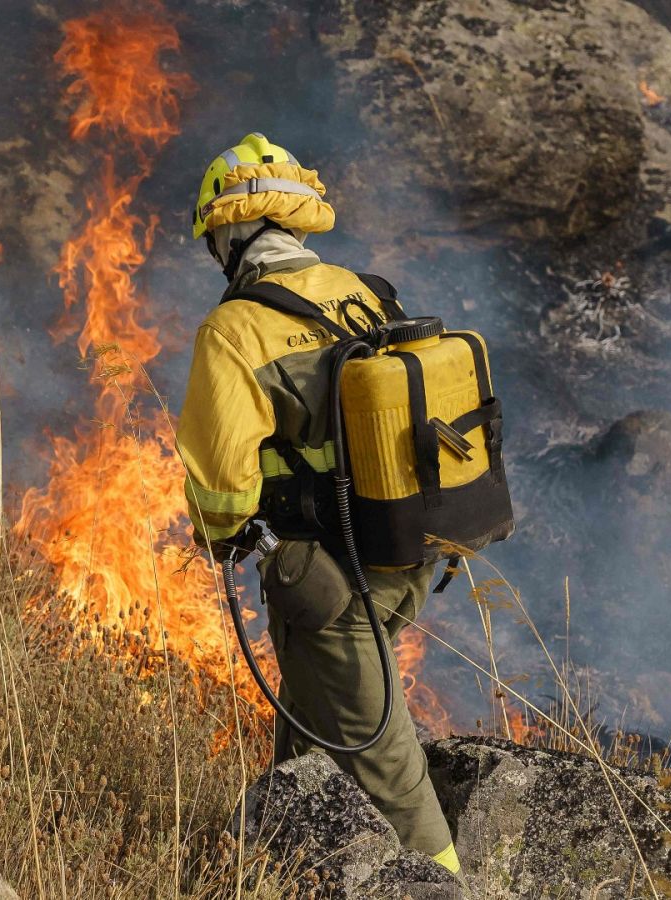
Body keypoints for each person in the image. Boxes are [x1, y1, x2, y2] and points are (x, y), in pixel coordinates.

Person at [175, 133, 459, 875]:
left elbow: (223, 492)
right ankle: (267, 876)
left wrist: (225, 533)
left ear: (229, 234)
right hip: (406, 556)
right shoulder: (365, 292)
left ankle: (454, 885)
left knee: (391, 776)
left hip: (331, 587)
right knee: (307, 742)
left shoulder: (235, 330)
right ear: (294, 223)